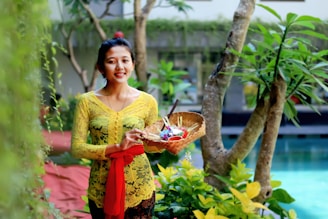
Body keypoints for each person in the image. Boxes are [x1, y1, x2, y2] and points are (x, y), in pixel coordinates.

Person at [70, 37, 165, 219]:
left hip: (140, 186)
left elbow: (151, 147)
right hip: (101, 187)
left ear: (133, 64)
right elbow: (77, 148)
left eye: (125, 60)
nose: (119, 67)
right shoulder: (87, 102)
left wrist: (164, 141)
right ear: (100, 67)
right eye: (111, 61)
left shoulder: (147, 102)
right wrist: (117, 148)